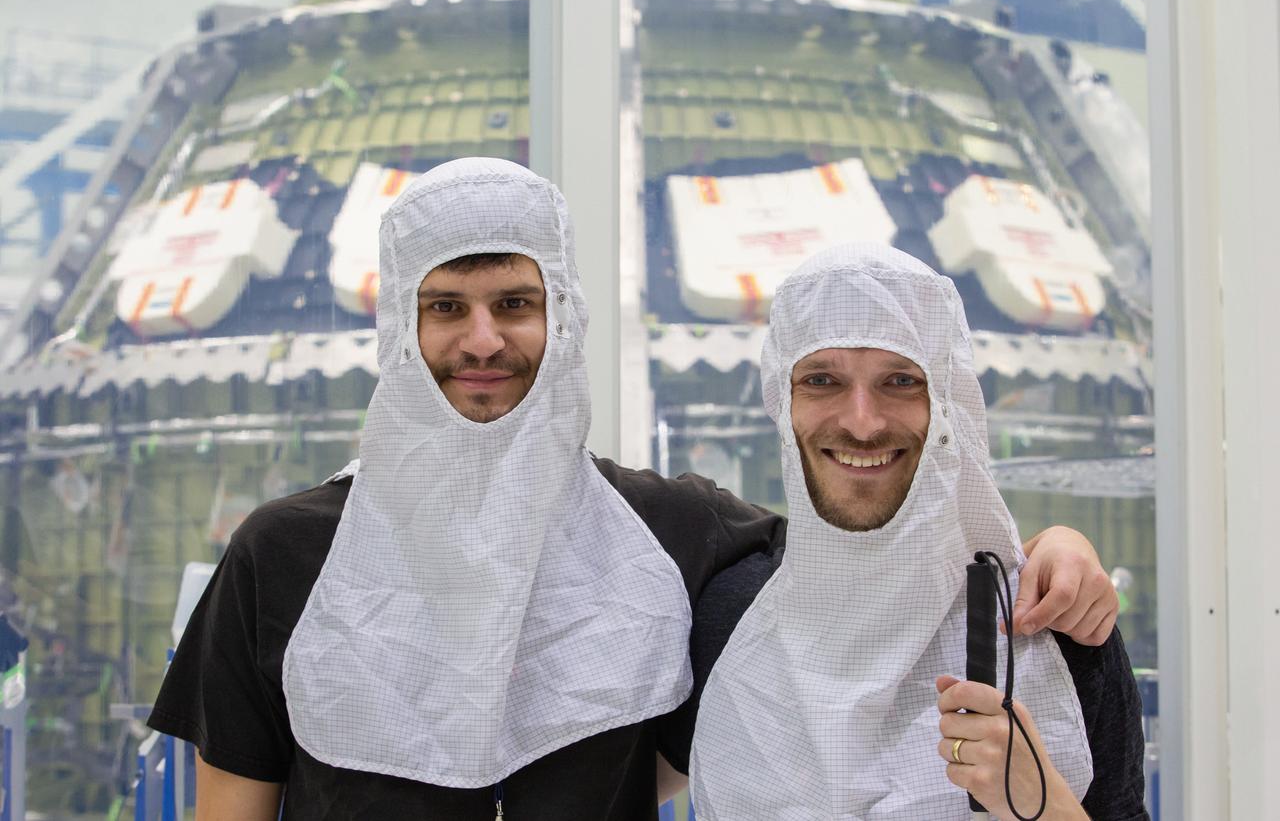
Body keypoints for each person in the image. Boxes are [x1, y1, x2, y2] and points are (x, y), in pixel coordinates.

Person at [147, 161, 1119, 820]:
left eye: (513, 303)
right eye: (444, 306)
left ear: (560, 316)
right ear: (398, 328)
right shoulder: (281, 555)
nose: (481, 340)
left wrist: (1050, 550)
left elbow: (875, 538)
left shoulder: (673, 532)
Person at [685, 243, 1148, 820]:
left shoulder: (1051, 623)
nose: (862, 420)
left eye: (901, 380)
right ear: (783, 400)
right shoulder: (726, 617)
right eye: (822, 379)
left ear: (948, 400)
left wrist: (1043, 804)